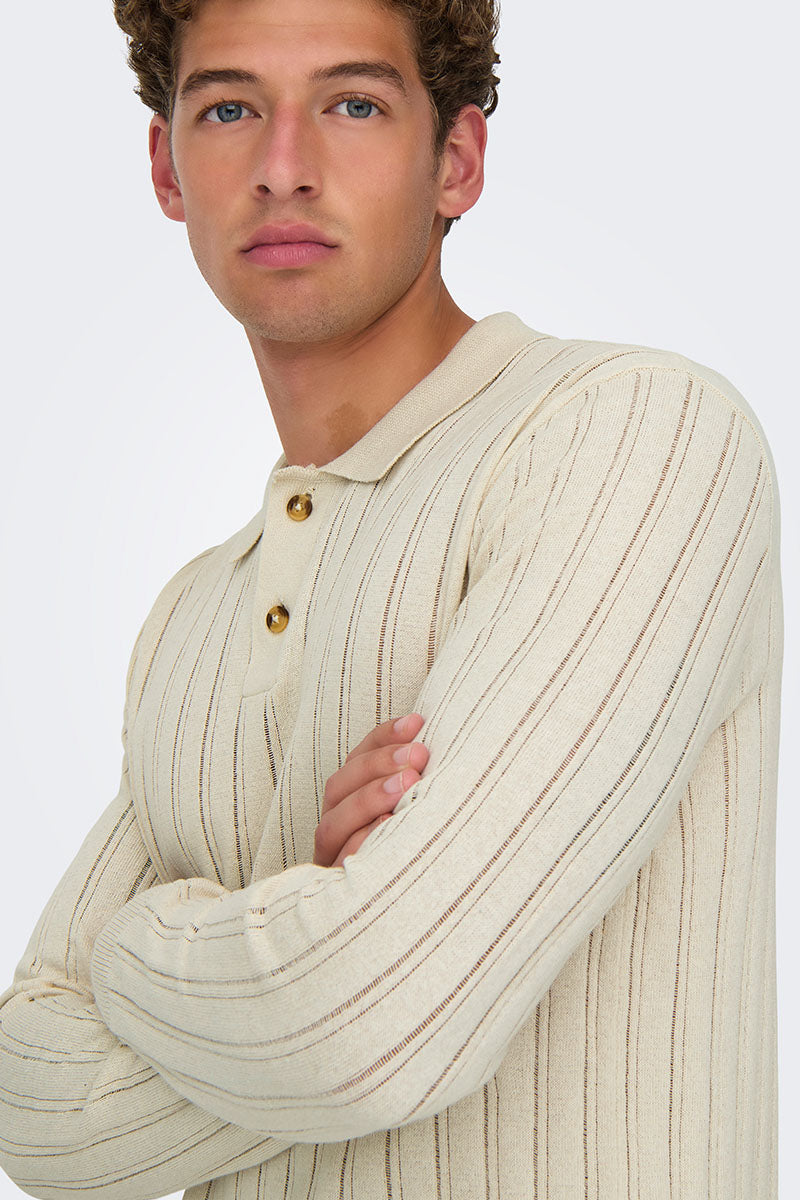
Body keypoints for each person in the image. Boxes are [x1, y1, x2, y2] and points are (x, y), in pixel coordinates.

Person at [0, 0, 782, 1196]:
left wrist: (128, 946)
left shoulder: (635, 438)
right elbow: (29, 1104)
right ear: (166, 169)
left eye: (353, 104)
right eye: (229, 109)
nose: (283, 167)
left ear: (454, 161)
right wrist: (310, 920)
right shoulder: (191, 617)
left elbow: (370, 1028)